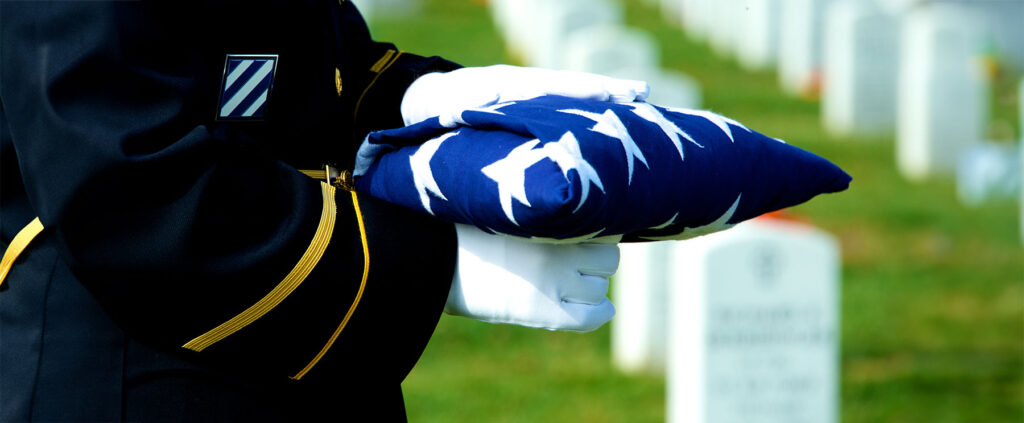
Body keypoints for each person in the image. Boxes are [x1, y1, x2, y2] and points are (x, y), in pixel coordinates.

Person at [0, 2, 647, 421]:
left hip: (308, 366)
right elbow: (131, 185)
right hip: (140, 379)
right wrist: (433, 265)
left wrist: (425, 94)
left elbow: (284, 77)